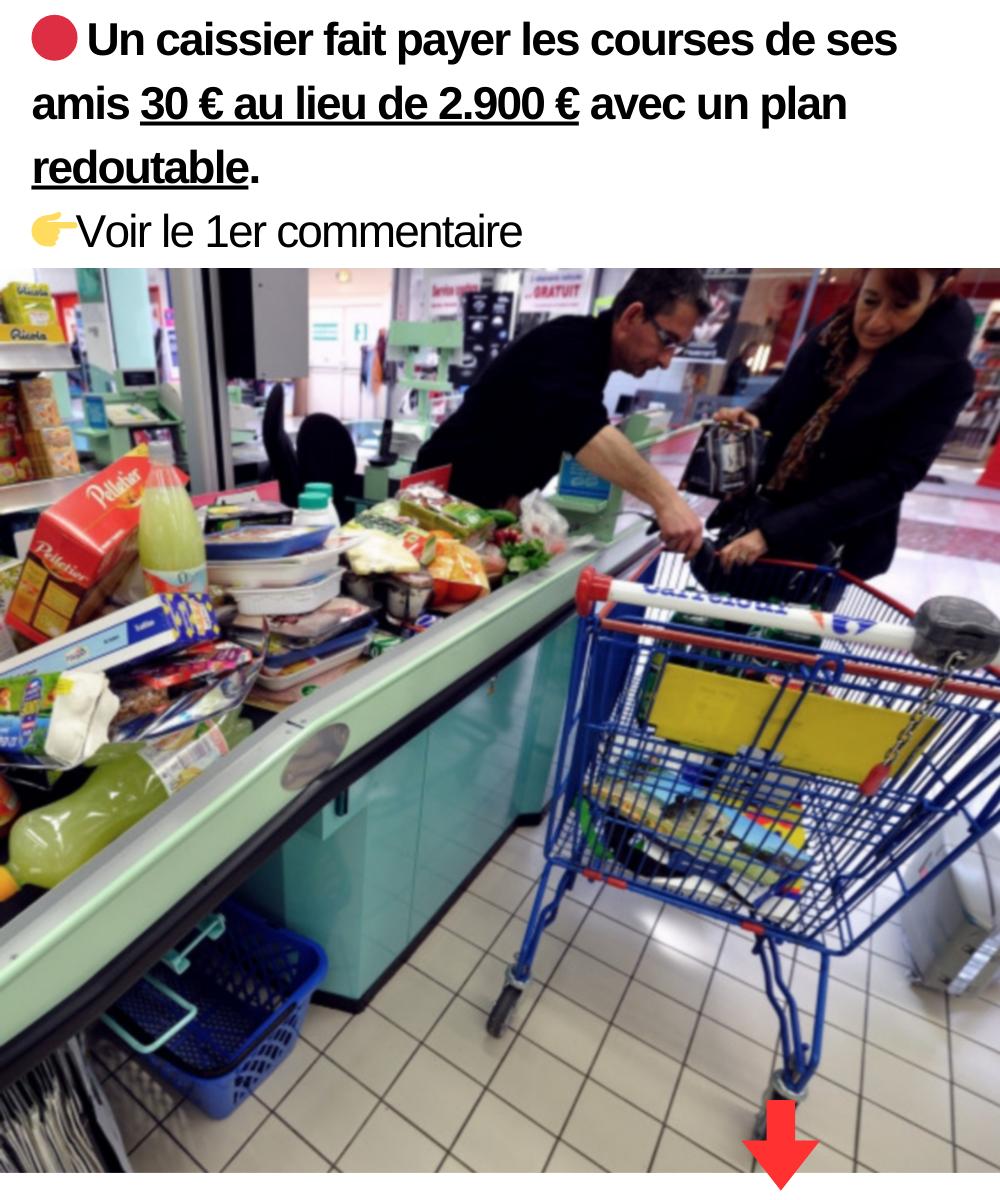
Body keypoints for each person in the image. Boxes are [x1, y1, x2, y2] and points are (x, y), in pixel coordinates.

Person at [413, 269, 710, 556]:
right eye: (667, 340)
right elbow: (587, 431)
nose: (666, 361)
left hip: (482, 508)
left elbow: (548, 426)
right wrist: (666, 501)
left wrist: (516, 491)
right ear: (632, 316)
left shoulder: (593, 359)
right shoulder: (568, 344)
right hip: (438, 499)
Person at [704, 268, 974, 583]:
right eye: (869, 301)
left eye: (901, 306)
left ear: (937, 293)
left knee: (786, 612)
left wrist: (772, 534)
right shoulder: (830, 335)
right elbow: (780, 397)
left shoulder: (945, 375)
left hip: (828, 539)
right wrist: (750, 415)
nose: (875, 322)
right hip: (755, 513)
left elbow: (892, 479)